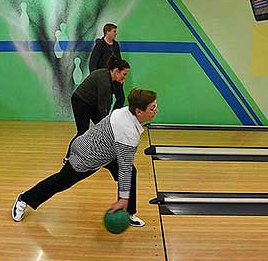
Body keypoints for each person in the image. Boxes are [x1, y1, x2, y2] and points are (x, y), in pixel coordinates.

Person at [12, 88, 159, 227]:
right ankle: (24, 198)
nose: (156, 111)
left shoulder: (126, 111)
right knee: (60, 183)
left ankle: (128, 213)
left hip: (105, 150)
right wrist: (123, 199)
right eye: (152, 108)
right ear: (139, 111)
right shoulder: (128, 133)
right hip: (86, 156)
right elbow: (124, 169)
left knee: (132, 172)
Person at [63, 57, 130, 162]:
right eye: (124, 74)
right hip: (81, 102)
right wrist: (108, 122)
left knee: (105, 130)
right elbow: (103, 106)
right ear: (116, 71)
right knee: (83, 132)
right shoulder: (105, 82)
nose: (124, 78)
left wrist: (111, 120)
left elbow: (118, 100)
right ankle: (68, 159)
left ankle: (104, 156)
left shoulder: (113, 79)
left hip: (92, 104)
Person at [89, 23, 125, 111]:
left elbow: (119, 61)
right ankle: (104, 122)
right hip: (104, 78)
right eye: (114, 31)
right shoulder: (100, 45)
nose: (116, 33)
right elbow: (92, 63)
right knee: (106, 102)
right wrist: (95, 79)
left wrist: (122, 76)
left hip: (115, 77)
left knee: (121, 98)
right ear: (107, 32)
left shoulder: (116, 45)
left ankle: (113, 118)